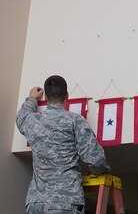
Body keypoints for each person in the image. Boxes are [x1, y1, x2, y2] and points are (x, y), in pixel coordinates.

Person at [16, 75, 109, 214]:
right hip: (66, 202)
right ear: (67, 95)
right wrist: (103, 171)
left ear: (46, 97)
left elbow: (21, 117)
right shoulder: (75, 120)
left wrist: (32, 99)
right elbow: (95, 159)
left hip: (37, 203)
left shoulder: (32, 121)